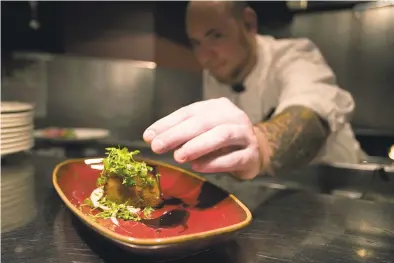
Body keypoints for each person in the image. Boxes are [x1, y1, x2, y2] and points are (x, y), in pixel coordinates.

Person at [143, 1, 365, 180]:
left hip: (343, 188)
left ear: (248, 24)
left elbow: (310, 115)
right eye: (196, 43)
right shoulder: (215, 72)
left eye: (216, 36)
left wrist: (260, 146)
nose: (204, 56)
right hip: (274, 191)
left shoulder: (294, 56)